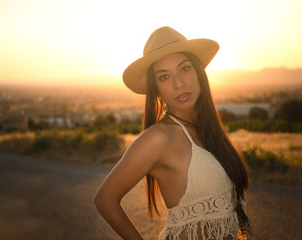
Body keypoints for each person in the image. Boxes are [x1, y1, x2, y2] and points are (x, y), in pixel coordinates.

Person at [94, 26, 251, 240]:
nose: (179, 83)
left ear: (198, 72)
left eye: (185, 69)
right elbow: (105, 199)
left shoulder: (208, 130)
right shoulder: (159, 138)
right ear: (156, 89)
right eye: (164, 76)